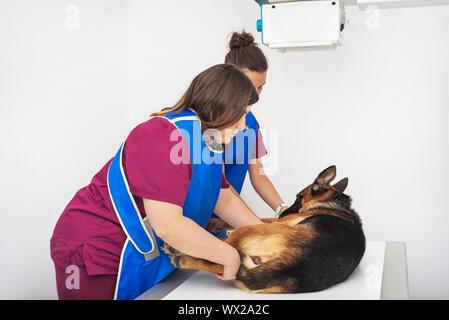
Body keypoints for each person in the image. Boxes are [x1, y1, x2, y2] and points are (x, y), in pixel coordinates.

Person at [50, 64, 263, 300]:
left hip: (134, 249)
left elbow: (222, 198)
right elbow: (168, 226)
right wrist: (229, 255)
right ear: (220, 104)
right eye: (241, 113)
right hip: (95, 247)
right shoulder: (163, 135)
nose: (244, 126)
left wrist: (266, 235)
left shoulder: (207, 141)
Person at [223, 31, 288, 218]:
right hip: (196, 219)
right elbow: (215, 186)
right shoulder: (206, 122)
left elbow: (258, 175)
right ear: (230, 79)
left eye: (261, 86)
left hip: (227, 219)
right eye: (252, 87)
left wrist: (283, 209)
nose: (257, 95)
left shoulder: (250, 122)